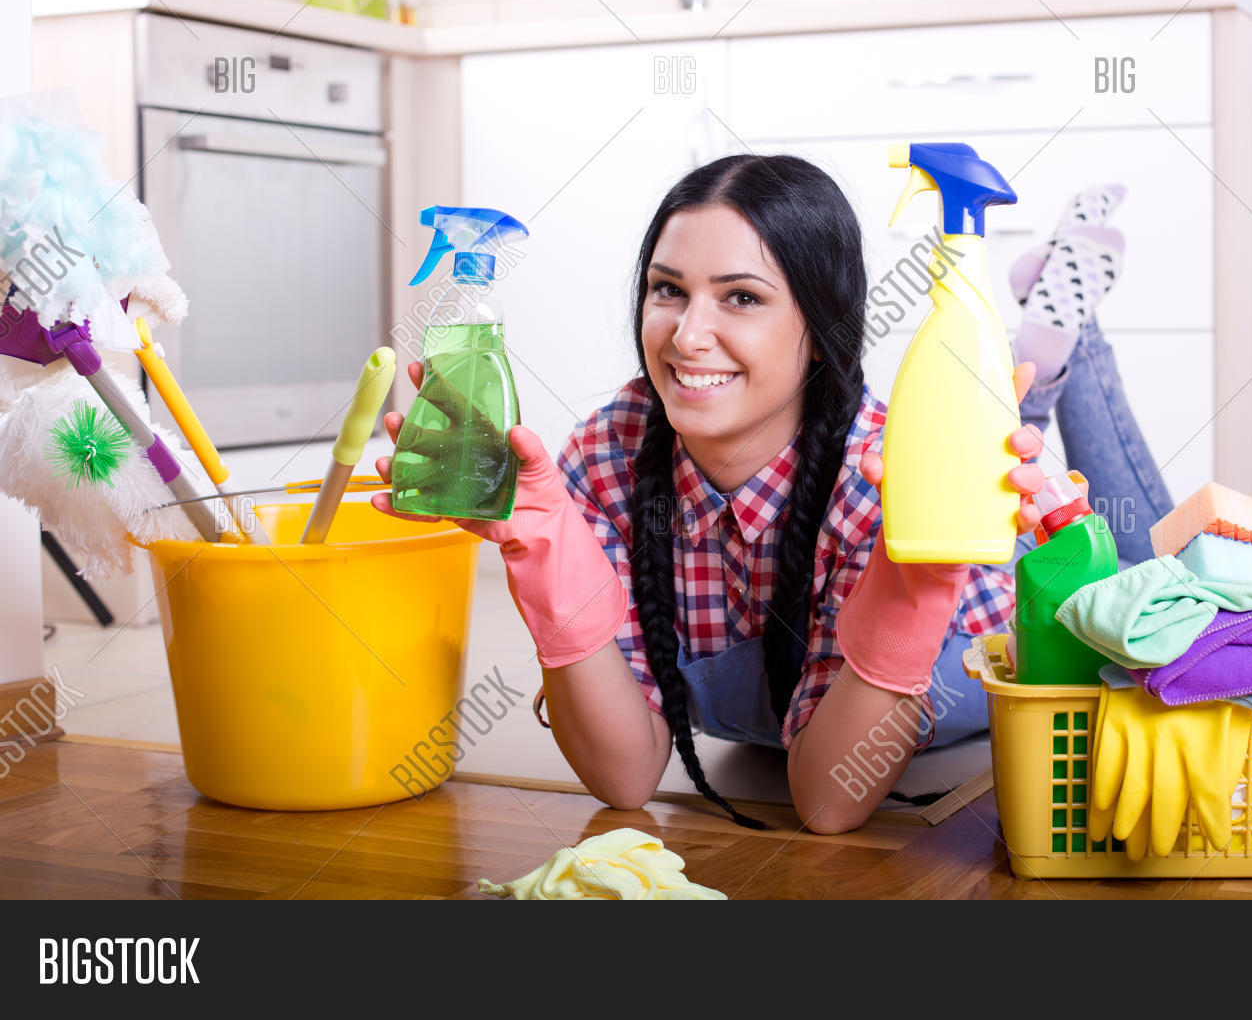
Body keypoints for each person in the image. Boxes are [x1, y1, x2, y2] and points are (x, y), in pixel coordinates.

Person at [374, 155, 1172, 834]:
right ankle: (1034, 364)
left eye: (742, 297)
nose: (687, 336)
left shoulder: (876, 477)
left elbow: (827, 802)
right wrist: (543, 547)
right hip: (810, 678)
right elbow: (625, 777)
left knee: (1150, 587)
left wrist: (914, 580)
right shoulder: (609, 454)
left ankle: (1063, 354)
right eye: (667, 290)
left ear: (820, 329)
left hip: (1001, 612)